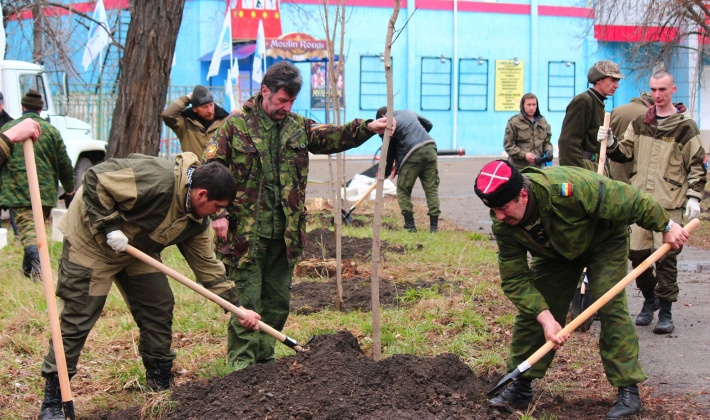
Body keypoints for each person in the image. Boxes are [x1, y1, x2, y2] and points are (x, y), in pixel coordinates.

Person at [36, 153, 261, 420]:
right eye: (217, 207)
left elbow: (207, 267)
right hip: (93, 241)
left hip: (136, 247)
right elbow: (95, 178)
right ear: (202, 195)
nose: (218, 214)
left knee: (158, 304)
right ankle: (54, 398)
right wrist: (109, 226)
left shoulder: (196, 221)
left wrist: (236, 307)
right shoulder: (155, 180)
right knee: (80, 314)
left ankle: (159, 379)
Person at [204, 61, 392, 370]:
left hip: (284, 234)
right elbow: (209, 170)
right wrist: (218, 215)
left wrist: (369, 128)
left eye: (291, 101)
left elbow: (332, 136)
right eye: (281, 101)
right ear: (264, 92)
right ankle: (241, 370)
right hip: (244, 234)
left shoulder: (296, 126)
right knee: (246, 305)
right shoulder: (234, 126)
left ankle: (265, 362)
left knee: (278, 303)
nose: (286, 107)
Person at [474, 160, 689, 419]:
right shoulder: (503, 224)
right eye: (494, 210)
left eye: (503, 209)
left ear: (523, 195)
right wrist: (545, 317)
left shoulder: (567, 188)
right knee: (534, 311)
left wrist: (666, 226)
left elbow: (626, 198)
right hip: (555, 255)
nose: (499, 216)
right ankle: (521, 385)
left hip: (604, 243)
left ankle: (628, 389)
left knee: (610, 307)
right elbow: (515, 279)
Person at [599, 70, 707, 333]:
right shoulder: (640, 123)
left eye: (662, 90)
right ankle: (650, 299)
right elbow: (624, 153)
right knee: (636, 255)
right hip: (640, 202)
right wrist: (611, 141)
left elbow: (697, 164)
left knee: (666, 258)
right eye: (654, 90)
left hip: (669, 202)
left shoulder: (684, 127)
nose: (657, 95)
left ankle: (666, 312)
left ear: (672, 91)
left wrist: (694, 195)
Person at [0, 89, 75, 279]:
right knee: (35, 230)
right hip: (45, 192)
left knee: (29, 231)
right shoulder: (51, 132)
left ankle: (39, 270)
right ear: (41, 109)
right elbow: (64, 163)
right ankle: (30, 271)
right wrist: (69, 188)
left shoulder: (9, 128)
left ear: (23, 107)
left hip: (17, 191)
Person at [375, 106, 440, 233]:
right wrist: (418, 136)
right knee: (431, 188)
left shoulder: (389, 125)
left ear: (383, 117)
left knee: (403, 190)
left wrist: (386, 172)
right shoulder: (408, 112)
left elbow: (388, 154)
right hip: (430, 146)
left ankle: (410, 225)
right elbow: (429, 124)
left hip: (411, 154)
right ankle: (434, 227)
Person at [558, 60, 625, 174]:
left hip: (594, 170)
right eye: (613, 80)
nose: (617, 85)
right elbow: (568, 143)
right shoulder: (584, 101)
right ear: (598, 79)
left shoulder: (598, 103)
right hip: (584, 172)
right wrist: (578, 176)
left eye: (617, 81)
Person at [161, 85, 230, 157]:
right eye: (205, 107)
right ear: (195, 109)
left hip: (217, 168)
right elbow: (167, 115)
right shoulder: (185, 122)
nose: (210, 110)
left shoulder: (224, 121)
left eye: (211, 105)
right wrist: (187, 98)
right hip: (193, 167)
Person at [608, 92, 654, 184]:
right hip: (636, 167)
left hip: (615, 161)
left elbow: (606, 135)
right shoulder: (648, 115)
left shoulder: (616, 110)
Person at [503, 93, 553, 170]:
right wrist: (524, 155)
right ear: (522, 106)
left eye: (534, 104)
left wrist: (548, 150)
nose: (531, 108)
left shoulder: (542, 121)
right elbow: (508, 145)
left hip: (538, 167)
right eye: (528, 105)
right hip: (519, 168)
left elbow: (547, 142)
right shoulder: (514, 122)